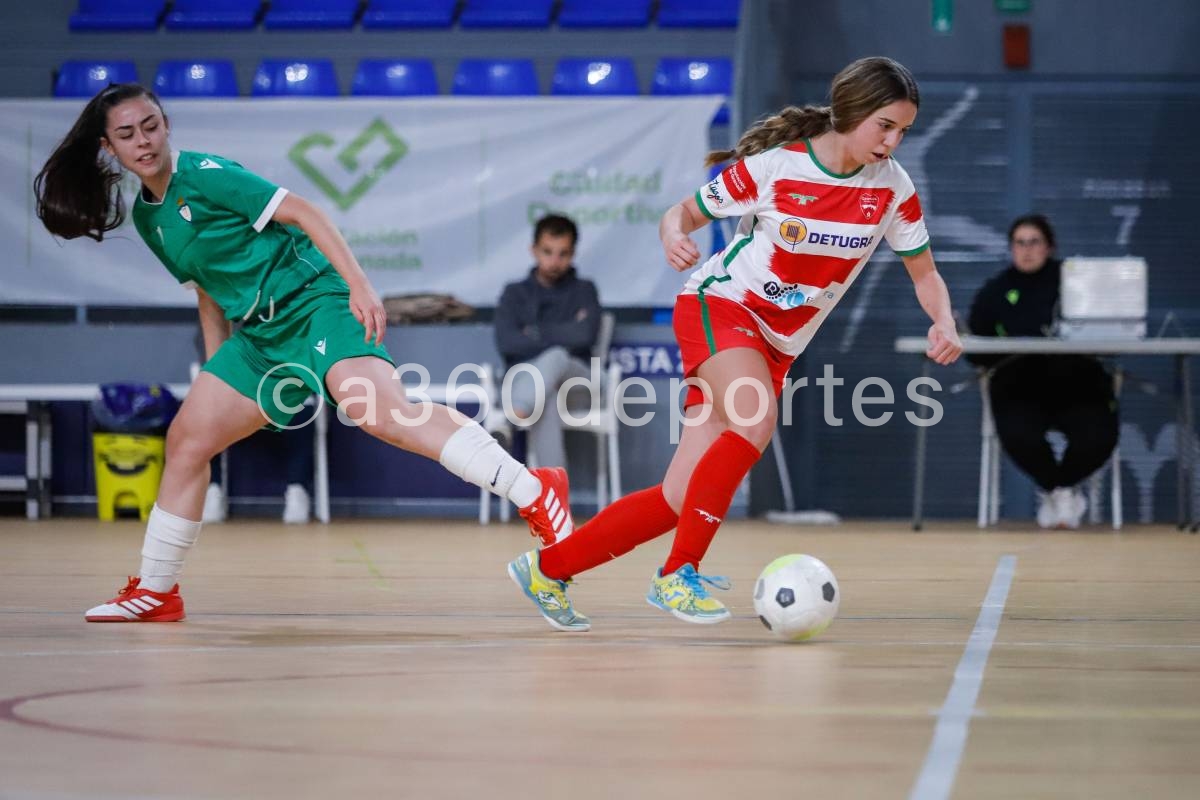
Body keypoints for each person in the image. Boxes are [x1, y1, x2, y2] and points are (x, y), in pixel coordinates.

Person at [34, 83, 574, 622]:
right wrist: (220, 373)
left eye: (151, 125)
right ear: (109, 147)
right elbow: (207, 288)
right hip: (262, 338)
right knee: (187, 441)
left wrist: (358, 284)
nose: (143, 141)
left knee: (381, 414)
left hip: (317, 300)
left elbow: (306, 213)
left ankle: (535, 490)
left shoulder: (205, 175)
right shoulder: (150, 220)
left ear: (166, 124)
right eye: (127, 134)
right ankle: (156, 591)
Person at [507, 56, 963, 632]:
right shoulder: (776, 168)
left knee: (677, 498)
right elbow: (684, 213)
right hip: (720, 308)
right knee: (755, 418)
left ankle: (548, 569)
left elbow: (925, 273)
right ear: (850, 112)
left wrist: (943, 320)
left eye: (903, 130)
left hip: (778, 344)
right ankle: (678, 574)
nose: (894, 141)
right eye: (885, 126)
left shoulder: (893, 188)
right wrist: (674, 236)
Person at [967, 214, 1119, 529]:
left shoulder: (1078, 284)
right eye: (1019, 243)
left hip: (1078, 386)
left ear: (1049, 246)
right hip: (1019, 390)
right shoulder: (994, 291)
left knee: (1099, 433)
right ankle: (1060, 492)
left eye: (1034, 242)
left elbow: (1109, 336)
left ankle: (1059, 490)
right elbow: (975, 348)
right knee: (1019, 434)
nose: (1027, 250)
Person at [494, 214, 601, 477]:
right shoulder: (514, 293)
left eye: (563, 253)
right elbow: (507, 342)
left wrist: (534, 332)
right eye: (547, 252)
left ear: (573, 253)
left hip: (578, 386)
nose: (555, 261)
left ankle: (510, 420)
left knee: (556, 357)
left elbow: (584, 336)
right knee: (546, 394)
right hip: (528, 384)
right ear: (533, 250)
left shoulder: (584, 290)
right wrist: (565, 331)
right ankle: (553, 500)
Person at [191, 328, 315, 525]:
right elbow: (210, 349)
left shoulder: (290, 307)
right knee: (206, 411)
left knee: (304, 405)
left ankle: (297, 489)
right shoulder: (224, 305)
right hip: (234, 383)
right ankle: (213, 488)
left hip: (282, 381)